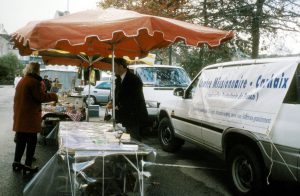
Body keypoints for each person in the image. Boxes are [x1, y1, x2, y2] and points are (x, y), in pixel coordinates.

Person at [12, 62, 58, 176]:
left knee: (21, 141)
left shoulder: (23, 80)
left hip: (21, 116)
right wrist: (54, 96)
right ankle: (27, 166)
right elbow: (41, 97)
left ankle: (16, 162)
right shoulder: (34, 82)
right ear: (36, 70)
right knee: (31, 141)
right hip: (30, 117)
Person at [107, 58, 148, 141]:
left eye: (114, 66)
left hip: (133, 116)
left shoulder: (134, 80)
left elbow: (133, 100)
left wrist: (117, 106)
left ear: (121, 66)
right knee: (125, 139)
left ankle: (138, 154)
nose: (113, 68)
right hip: (124, 116)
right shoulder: (119, 79)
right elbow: (117, 94)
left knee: (133, 139)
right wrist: (112, 102)